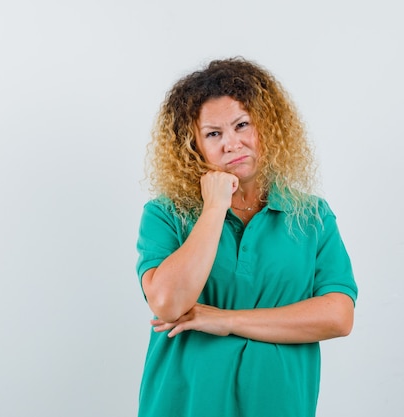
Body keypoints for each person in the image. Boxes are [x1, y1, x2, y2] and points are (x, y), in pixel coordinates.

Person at [135, 57, 358, 417]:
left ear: (267, 128)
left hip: (278, 405)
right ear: (193, 147)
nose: (232, 143)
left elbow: (337, 316)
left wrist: (224, 320)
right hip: (184, 405)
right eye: (213, 134)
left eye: (242, 125)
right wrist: (213, 208)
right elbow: (167, 304)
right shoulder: (166, 214)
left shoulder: (311, 216)